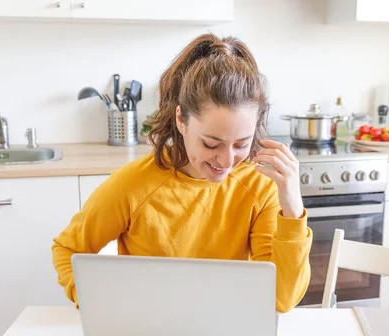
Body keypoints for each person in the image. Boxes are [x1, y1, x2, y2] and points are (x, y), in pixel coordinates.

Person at [52, 33, 312, 313]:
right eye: (211, 143)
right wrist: (96, 303)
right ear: (181, 120)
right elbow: (68, 249)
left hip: (226, 334)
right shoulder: (132, 184)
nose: (227, 160)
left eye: (241, 144)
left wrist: (293, 209)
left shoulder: (259, 188)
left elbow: (281, 298)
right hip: (149, 333)